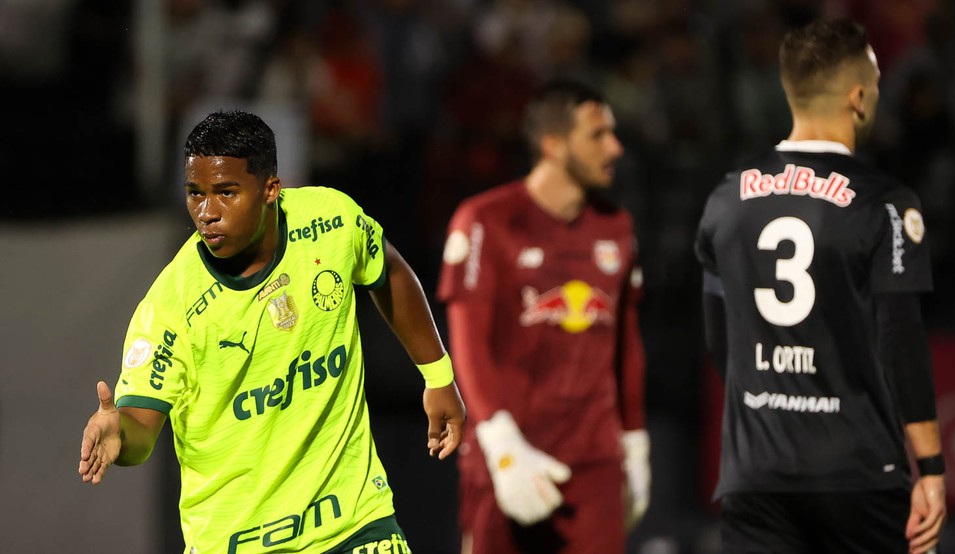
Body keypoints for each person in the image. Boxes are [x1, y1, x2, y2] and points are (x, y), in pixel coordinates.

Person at [78, 110, 466, 554]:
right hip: (236, 542)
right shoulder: (171, 304)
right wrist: (120, 434)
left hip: (355, 524)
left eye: (225, 193)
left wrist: (438, 376)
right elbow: (142, 425)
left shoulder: (330, 222)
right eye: (195, 194)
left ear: (269, 190)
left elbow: (388, 269)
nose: (206, 212)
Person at [695, 18, 947, 554]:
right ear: (858, 97)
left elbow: (720, 340)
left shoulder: (725, 199)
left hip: (755, 473)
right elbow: (898, 337)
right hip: (856, 474)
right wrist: (930, 466)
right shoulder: (885, 203)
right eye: (876, 82)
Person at [437, 79, 650, 554]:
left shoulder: (617, 227)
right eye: (597, 135)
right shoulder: (486, 220)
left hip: (594, 461)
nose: (614, 147)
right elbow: (466, 343)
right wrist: (500, 441)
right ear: (553, 145)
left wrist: (635, 444)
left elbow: (627, 344)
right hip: (504, 459)